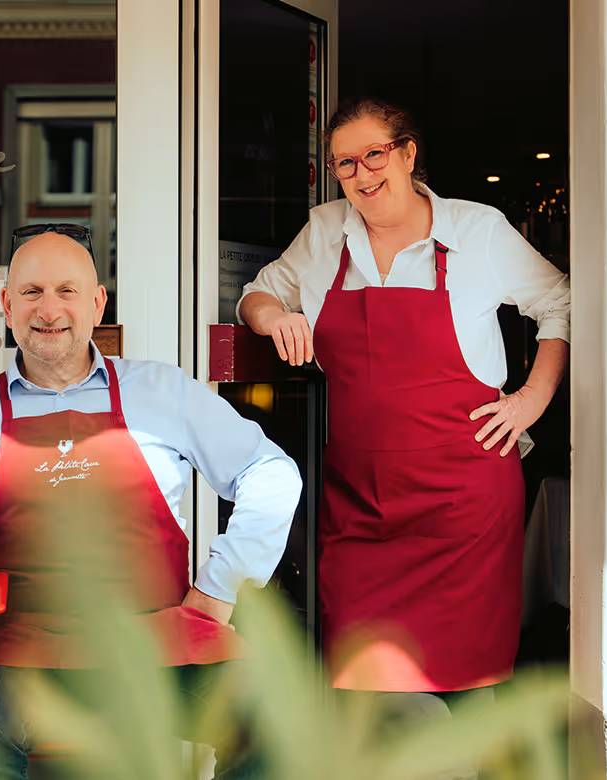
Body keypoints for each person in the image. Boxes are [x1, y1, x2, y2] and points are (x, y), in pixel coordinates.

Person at [0, 225, 301, 779]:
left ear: (97, 302)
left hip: (162, 638)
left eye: (67, 290)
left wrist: (219, 587)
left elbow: (271, 471)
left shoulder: (163, 391)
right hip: (25, 647)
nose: (49, 309)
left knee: (280, 728)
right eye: (32, 292)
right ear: (6, 305)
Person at [238, 98, 570, 705]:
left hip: (463, 503)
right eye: (344, 164)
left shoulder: (476, 230)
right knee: (365, 686)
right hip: (360, 503)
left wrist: (531, 400)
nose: (362, 175)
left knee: (468, 684)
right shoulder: (323, 233)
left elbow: (560, 302)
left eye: (374, 155)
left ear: (408, 153)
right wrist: (275, 318)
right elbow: (257, 293)